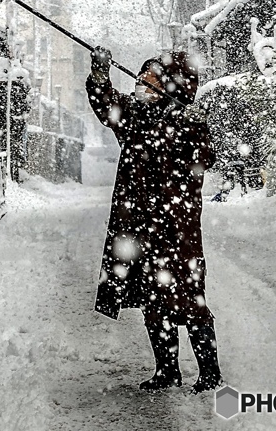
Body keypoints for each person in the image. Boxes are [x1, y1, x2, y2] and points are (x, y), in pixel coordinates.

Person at [86, 47, 222, 393]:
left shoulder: (190, 125)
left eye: (148, 82)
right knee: (152, 298)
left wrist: (173, 122)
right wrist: (100, 75)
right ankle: (167, 370)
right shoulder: (135, 117)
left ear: (169, 89)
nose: (138, 88)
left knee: (189, 299)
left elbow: (203, 160)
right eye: (140, 81)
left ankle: (210, 374)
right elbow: (106, 104)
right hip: (139, 227)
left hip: (176, 230)